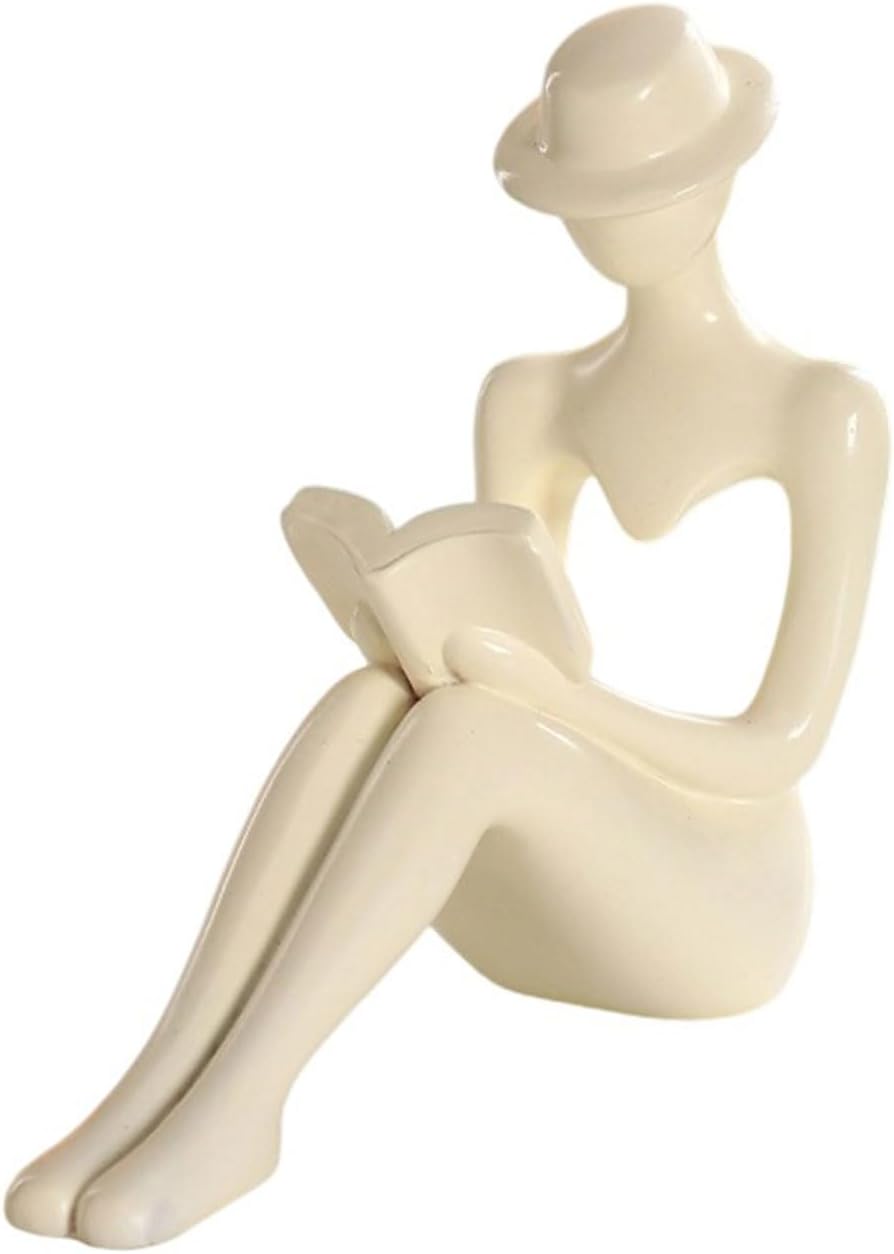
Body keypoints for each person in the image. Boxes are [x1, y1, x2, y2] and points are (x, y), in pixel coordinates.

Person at [7, 7, 887, 1248]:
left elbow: (778, 747)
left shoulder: (825, 409)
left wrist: (543, 696)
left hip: (727, 907)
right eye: (591, 197)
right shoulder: (528, 395)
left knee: (477, 730)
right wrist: (424, 639)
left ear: (726, 172)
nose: (616, 221)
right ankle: (161, 1083)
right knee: (378, 698)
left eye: (651, 186)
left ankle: (246, 1106)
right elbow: (533, 642)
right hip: (541, 921)